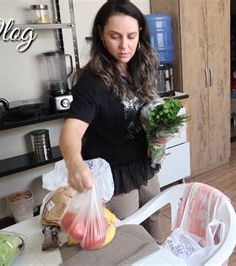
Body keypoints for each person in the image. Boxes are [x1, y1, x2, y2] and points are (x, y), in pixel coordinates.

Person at [59, 0, 162, 243]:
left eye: (131, 36)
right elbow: (71, 131)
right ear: (100, 35)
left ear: (140, 35)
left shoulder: (141, 68)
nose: (124, 45)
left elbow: (143, 115)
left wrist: (158, 131)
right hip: (113, 174)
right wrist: (74, 164)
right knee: (128, 231)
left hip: (145, 164)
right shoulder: (92, 82)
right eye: (115, 36)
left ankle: (161, 253)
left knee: (154, 216)